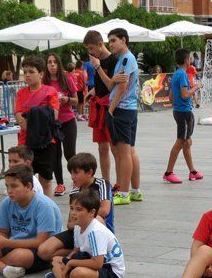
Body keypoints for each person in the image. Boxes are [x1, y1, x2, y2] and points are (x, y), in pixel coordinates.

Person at [0, 166, 62, 278]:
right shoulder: (7, 202)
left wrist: (6, 243)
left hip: (39, 251)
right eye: (7, 186)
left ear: (28, 186)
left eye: (14, 186)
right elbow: (3, 232)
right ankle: (4, 269)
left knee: (19, 256)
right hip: (12, 244)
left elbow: (40, 242)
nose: (9, 191)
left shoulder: (44, 206)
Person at [45, 190, 125, 278]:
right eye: (72, 208)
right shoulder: (78, 226)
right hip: (89, 260)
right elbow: (76, 250)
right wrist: (67, 260)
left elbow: (97, 264)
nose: (73, 213)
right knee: (56, 260)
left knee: (77, 273)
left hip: (110, 272)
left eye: (79, 209)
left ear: (92, 212)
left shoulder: (96, 231)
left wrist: (70, 263)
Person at [106, 27, 142, 206]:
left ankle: (124, 192)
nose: (110, 44)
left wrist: (111, 110)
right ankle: (135, 191)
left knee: (123, 152)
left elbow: (121, 87)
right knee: (130, 151)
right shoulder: (123, 59)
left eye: (113, 40)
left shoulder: (127, 59)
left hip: (122, 109)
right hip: (129, 109)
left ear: (123, 40)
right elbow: (113, 83)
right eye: (109, 41)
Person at [14, 56, 60, 198]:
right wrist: (34, 126)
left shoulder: (50, 91)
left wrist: (34, 124)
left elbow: (54, 116)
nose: (27, 75)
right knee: (26, 180)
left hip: (46, 143)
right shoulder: (21, 93)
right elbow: (19, 116)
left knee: (45, 181)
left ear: (40, 74)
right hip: (26, 142)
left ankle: (47, 211)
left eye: (31, 72)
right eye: (25, 71)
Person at [83, 30, 118, 184]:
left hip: (110, 107)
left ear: (100, 44)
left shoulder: (113, 60)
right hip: (98, 105)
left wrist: (98, 68)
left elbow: (112, 85)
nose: (90, 52)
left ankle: (120, 184)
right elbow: (101, 84)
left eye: (91, 48)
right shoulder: (96, 61)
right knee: (101, 148)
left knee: (115, 148)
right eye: (88, 49)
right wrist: (92, 91)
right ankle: (106, 182)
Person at [164, 48, 203, 184]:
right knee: (181, 141)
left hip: (179, 111)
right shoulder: (182, 75)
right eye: (190, 59)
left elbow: (170, 96)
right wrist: (196, 87)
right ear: (187, 60)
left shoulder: (176, 74)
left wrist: (177, 106)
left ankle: (192, 171)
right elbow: (185, 94)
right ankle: (168, 172)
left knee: (187, 142)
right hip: (184, 112)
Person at [44, 54, 78, 197]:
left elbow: (77, 100)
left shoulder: (66, 79)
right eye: (49, 62)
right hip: (52, 123)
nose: (52, 65)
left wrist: (67, 99)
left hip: (68, 120)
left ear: (59, 64)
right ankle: (60, 184)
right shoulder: (44, 82)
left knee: (69, 153)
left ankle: (77, 181)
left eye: (54, 62)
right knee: (55, 154)